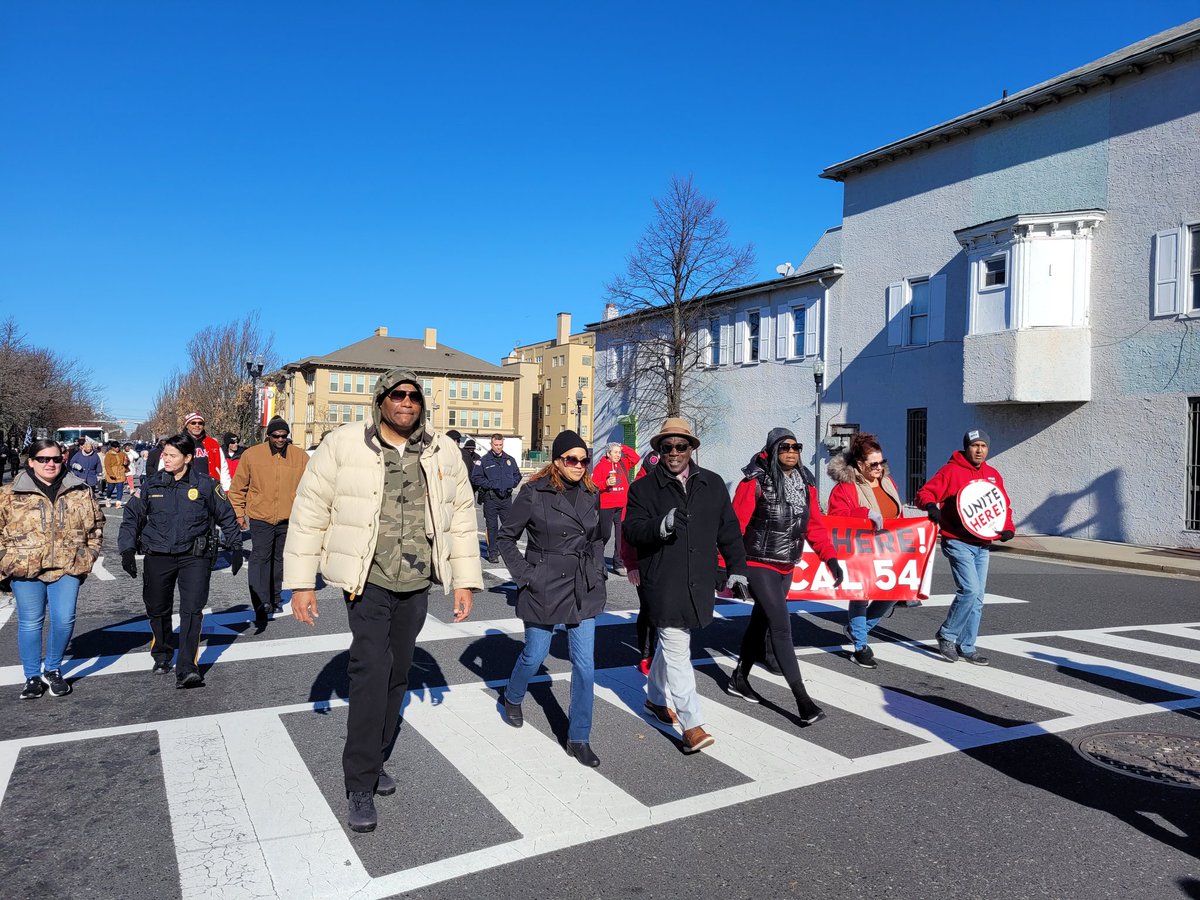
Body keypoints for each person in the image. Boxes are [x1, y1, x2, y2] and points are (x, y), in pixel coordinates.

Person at [283, 367, 482, 833]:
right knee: (370, 671)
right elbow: (309, 510)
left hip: (415, 585)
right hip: (365, 581)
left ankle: (374, 759)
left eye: (414, 396)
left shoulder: (442, 451)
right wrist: (301, 582)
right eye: (398, 394)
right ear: (381, 400)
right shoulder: (345, 444)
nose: (407, 402)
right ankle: (359, 782)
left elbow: (462, 519)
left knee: (398, 674)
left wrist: (466, 581)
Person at [622, 417, 750, 754]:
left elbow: (729, 530)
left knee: (671, 643)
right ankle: (691, 724)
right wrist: (660, 526)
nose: (674, 452)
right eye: (668, 447)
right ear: (659, 450)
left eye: (681, 446)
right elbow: (632, 531)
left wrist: (737, 568)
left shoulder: (713, 483)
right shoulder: (643, 488)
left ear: (691, 448)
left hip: (699, 580)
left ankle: (653, 697)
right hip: (662, 581)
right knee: (678, 647)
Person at [497, 430, 608, 767]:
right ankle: (513, 696)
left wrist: (598, 572)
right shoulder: (534, 492)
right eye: (571, 459)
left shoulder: (592, 492)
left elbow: (599, 538)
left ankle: (579, 736)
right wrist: (525, 575)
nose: (579, 465)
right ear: (557, 461)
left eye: (583, 459)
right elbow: (505, 537)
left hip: (582, 586)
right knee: (534, 655)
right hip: (544, 582)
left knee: (585, 666)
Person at [726, 428, 843, 723]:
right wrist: (727, 568)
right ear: (772, 451)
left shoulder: (806, 483)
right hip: (758, 563)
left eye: (796, 446)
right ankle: (803, 701)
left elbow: (814, 525)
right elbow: (733, 528)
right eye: (785, 447)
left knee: (760, 621)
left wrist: (831, 559)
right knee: (781, 626)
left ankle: (739, 678)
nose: (792, 452)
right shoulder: (754, 482)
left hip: (786, 565)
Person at [118, 433, 243, 688]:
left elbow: (226, 516)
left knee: (192, 610)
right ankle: (162, 653)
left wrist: (236, 546)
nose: (166, 459)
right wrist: (127, 550)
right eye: (164, 454)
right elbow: (132, 517)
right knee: (157, 607)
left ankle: (187, 667)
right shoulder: (152, 486)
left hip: (194, 556)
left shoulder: (207, 485)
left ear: (187, 458)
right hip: (158, 555)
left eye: (172, 455)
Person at [0, 439, 104, 699]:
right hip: (24, 568)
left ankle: (53, 669)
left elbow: (96, 526)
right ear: (31, 461)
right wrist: (5, 561)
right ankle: (32, 676)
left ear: (63, 459)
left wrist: (87, 556)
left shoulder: (80, 489)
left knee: (64, 619)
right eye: (44, 459)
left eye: (56, 459)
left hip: (68, 566)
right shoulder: (8, 494)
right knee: (30, 622)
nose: (50, 464)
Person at [915, 429, 1015, 667]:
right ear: (966, 447)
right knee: (969, 591)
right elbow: (925, 493)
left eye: (984, 446)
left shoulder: (992, 475)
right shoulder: (952, 471)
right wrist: (931, 506)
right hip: (957, 541)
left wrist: (1008, 527)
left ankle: (967, 646)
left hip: (982, 544)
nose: (979, 450)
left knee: (978, 598)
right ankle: (947, 635)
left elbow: (1003, 505)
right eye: (975, 445)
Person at [828, 432, 903, 668]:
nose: (879, 468)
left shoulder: (888, 484)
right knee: (861, 595)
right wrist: (863, 514)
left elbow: (897, 514)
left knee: (892, 593)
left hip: (889, 549)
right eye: (874, 464)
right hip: (860, 549)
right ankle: (860, 645)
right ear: (860, 464)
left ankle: (857, 628)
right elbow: (835, 517)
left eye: (882, 462)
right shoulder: (845, 488)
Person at [228, 416, 308, 629]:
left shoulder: (300, 457)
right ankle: (260, 602)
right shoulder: (252, 455)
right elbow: (238, 488)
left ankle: (274, 597)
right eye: (276, 436)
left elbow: (310, 488)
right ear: (268, 436)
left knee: (280, 559)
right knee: (260, 558)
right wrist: (238, 512)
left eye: (284, 436)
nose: (280, 439)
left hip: (288, 517)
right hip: (260, 516)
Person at [470, 433, 522, 563]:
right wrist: (490, 484)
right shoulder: (484, 461)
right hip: (491, 499)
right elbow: (475, 478)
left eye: (500, 445)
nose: (498, 447)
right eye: (496, 445)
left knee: (509, 527)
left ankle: (509, 551)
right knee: (492, 527)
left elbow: (517, 475)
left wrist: (512, 483)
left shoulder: (509, 460)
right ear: (491, 444)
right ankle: (492, 553)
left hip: (506, 499)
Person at [593, 442, 640, 575]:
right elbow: (594, 485)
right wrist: (606, 483)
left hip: (622, 506)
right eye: (615, 452)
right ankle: (597, 560)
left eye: (619, 453)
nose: (618, 455)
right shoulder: (601, 466)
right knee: (605, 535)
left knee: (621, 537)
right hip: (606, 506)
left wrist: (623, 447)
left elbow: (635, 458)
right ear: (608, 453)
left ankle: (618, 563)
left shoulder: (623, 464)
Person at [183, 412, 229, 485]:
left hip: (210, 485)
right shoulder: (179, 442)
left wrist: (226, 488)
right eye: (193, 423)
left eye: (200, 423)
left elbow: (223, 468)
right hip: (186, 485)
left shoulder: (213, 443)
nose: (197, 425)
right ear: (187, 425)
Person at [103, 441, 129, 506]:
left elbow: (127, 462)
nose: (117, 448)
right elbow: (107, 465)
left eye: (118, 447)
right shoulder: (108, 455)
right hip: (112, 471)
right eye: (115, 447)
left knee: (120, 488)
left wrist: (126, 462)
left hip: (120, 472)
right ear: (112, 447)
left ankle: (118, 502)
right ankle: (108, 498)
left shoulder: (122, 454)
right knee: (110, 488)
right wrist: (111, 474)